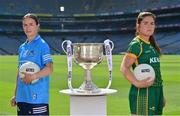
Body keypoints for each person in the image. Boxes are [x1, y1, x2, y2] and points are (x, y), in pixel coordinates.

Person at [120, 12, 166, 115]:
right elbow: (124, 68)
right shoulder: (136, 45)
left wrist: (160, 94)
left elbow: (156, 72)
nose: (149, 26)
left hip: (156, 91)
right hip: (143, 93)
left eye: (152, 23)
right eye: (146, 23)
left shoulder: (152, 45)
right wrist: (137, 83)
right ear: (138, 25)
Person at [10, 13, 53, 115]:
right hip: (22, 98)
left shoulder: (42, 45)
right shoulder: (22, 47)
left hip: (37, 99)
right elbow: (19, 72)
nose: (28, 28)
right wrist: (16, 95)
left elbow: (49, 68)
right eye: (25, 25)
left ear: (37, 26)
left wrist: (33, 76)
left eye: (31, 24)